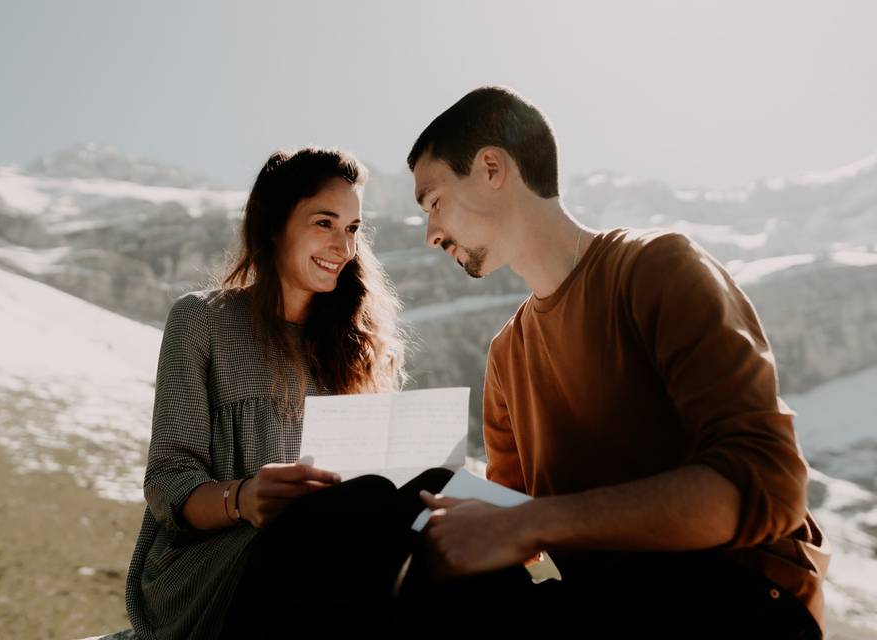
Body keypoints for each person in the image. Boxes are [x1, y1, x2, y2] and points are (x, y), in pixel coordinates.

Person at [401, 86, 829, 638]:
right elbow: (525, 544)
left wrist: (524, 524)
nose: (432, 234)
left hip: (739, 592)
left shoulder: (656, 267)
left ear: (490, 168)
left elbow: (769, 486)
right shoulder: (507, 355)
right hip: (601, 595)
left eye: (433, 202)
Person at [124, 147, 454, 640]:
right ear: (275, 223)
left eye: (353, 229)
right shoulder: (202, 320)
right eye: (325, 222)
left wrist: (501, 516)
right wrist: (244, 497)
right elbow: (168, 482)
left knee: (439, 487)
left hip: (327, 559)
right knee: (356, 507)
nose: (344, 247)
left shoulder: (359, 348)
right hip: (210, 567)